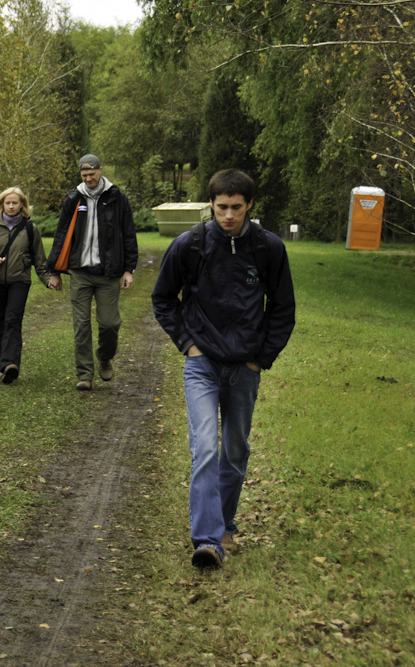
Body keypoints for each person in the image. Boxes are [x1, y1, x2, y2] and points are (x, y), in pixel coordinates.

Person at [150, 168, 295, 569]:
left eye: (235, 207)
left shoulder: (268, 249)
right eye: (220, 207)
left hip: (245, 368)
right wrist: (189, 345)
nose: (228, 215)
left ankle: (225, 521)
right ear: (210, 205)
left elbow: (283, 309)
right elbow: (163, 298)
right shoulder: (190, 245)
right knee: (206, 448)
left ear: (249, 205)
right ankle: (209, 540)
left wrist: (259, 358)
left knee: (234, 451)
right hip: (202, 365)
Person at [46, 154, 138, 391]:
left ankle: (104, 357)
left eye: (92, 174)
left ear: (100, 170)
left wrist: (129, 269)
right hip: (80, 272)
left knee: (109, 324)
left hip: (109, 273)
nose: (88, 178)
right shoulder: (73, 197)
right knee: (81, 325)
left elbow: (128, 233)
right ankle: (84, 374)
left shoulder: (117, 197)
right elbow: (61, 234)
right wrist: (54, 271)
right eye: (84, 175)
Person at [0, 186, 59, 385]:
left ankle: (10, 364)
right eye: (8, 203)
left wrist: (47, 279)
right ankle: (6, 367)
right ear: (2, 204)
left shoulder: (30, 228)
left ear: (22, 205)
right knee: (1, 321)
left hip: (19, 282)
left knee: (13, 320)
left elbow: (39, 259)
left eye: (15, 203)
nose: (11, 206)